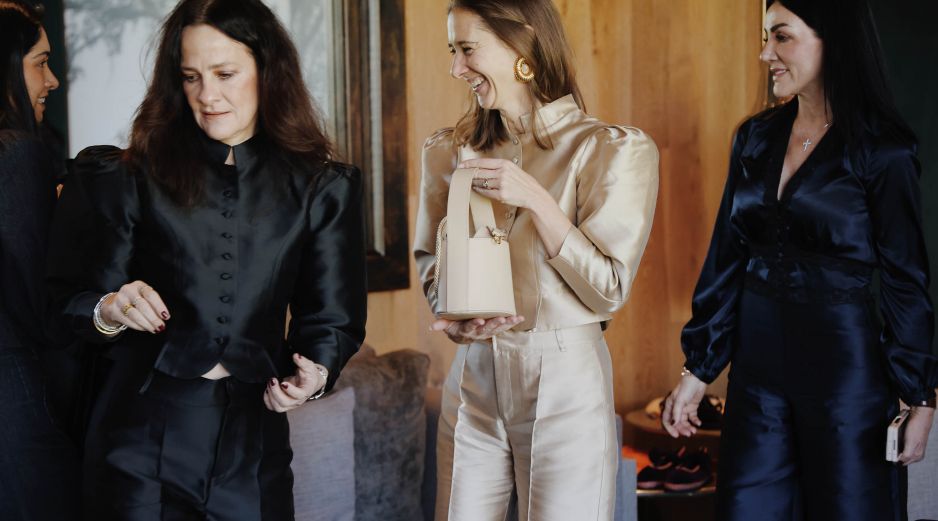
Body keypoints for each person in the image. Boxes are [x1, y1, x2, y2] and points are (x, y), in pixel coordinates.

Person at [47, 0, 367, 518]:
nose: (207, 95)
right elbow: (65, 303)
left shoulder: (322, 188)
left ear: (269, 71)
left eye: (224, 74)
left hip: (254, 440)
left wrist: (315, 375)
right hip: (137, 440)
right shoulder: (124, 176)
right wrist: (109, 307)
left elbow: (331, 318)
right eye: (191, 77)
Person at [661, 1, 937, 520]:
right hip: (757, 377)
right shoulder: (755, 137)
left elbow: (906, 278)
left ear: (832, 40)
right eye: (765, 37)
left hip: (846, 382)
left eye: (782, 37)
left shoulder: (884, 151)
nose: (766, 53)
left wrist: (920, 397)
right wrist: (698, 369)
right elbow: (727, 258)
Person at [413, 1, 659, 519]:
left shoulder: (610, 150)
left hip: (566, 384)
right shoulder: (447, 152)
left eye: (468, 49)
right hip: (472, 380)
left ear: (520, 45)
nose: (457, 68)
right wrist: (458, 318)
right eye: (452, 51)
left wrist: (539, 202)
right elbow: (432, 264)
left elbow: (609, 288)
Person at [0, 1, 80, 519]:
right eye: (40, 62)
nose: (51, 81)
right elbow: (40, 304)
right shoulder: (15, 154)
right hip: (16, 400)